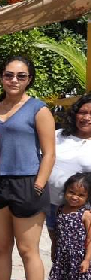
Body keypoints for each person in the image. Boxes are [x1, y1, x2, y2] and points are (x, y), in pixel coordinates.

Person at [0, 56, 55, 280]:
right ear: (1, 77)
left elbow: (49, 153)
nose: (14, 80)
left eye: (21, 76)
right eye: (9, 74)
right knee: (1, 248)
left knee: (28, 250)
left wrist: (38, 184)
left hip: (28, 183)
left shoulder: (39, 109)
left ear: (29, 79)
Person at [43, 173, 91, 280]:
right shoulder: (60, 210)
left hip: (80, 258)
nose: (75, 197)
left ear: (87, 197)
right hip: (63, 256)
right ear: (65, 192)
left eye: (81, 195)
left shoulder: (86, 214)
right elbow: (57, 234)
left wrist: (87, 260)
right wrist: (54, 249)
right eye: (71, 192)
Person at [47, 94, 91, 263]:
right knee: (59, 248)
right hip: (52, 204)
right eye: (82, 112)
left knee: (82, 251)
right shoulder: (58, 136)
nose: (86, 117)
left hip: (83, 209)